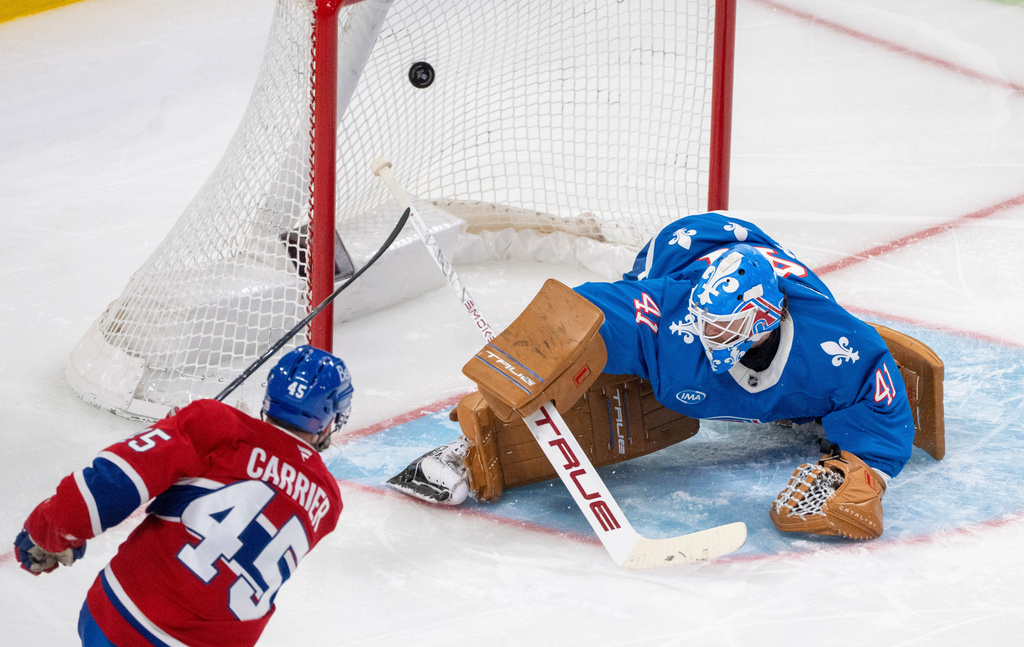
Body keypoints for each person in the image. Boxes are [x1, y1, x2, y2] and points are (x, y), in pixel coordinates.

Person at [390, 212, 938, 541]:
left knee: (816, 392)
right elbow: (593, 309)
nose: (711, 341)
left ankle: (802, 408)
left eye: (726, 332)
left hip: (764, 268)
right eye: (708, 327)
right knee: (602, 369)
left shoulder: (833, 347)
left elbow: (879, 390)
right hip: (683, 249)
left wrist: (868, 469)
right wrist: (539, 354)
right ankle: (471, 450)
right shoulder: (673, 316)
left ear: (765, 321)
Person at [14, 345, 353, 647]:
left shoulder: (217, 425)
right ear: (327, 422)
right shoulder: (328, 502)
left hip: (121, 623)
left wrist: (49, 530)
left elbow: (112, 485)